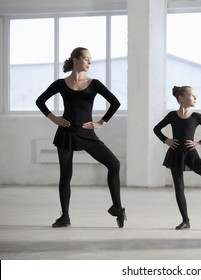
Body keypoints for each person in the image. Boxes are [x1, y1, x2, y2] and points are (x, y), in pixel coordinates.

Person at [36, 47, 126, 228]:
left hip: (86, 133)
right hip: (66, 134)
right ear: (76, 60)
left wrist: (101, 122)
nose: (89, 62)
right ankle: (65, 217)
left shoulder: (94, 84)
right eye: (86, 59)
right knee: (66, 175)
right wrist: (54, 118)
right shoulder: (60, 84)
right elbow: (40, 101)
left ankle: (117, 207)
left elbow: (115, 103)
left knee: (114, 164)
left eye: (90, 59)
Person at [153, 86, 201, 230]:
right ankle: (185, 220)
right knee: (179, 187)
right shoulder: (172, 115)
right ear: (181, 98)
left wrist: (200, 143)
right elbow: (156, 129)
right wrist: (166, 140)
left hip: (191, 155)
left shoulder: (196, 117)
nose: (196, 98)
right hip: (175, 154)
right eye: (192, 95)